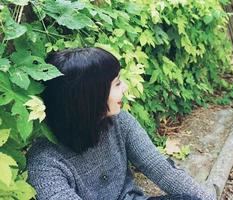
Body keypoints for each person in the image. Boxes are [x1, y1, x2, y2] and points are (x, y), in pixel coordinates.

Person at [26, 47, 216, 200]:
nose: (125, 87)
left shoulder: (118, 122)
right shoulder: (44, 161)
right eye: (117, 84)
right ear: (90, 97)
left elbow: (161, 169)